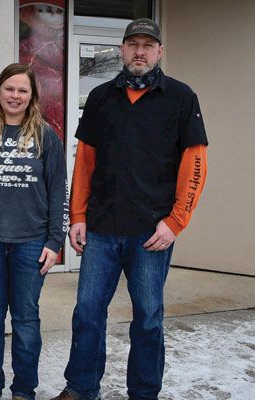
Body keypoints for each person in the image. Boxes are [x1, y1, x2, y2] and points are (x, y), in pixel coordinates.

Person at [51, 19, 208, 400]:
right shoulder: (101, 97)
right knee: (87, 312)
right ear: (121, 50)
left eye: (148, 45)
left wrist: (176, 222)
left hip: (151, 233)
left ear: (159, 52)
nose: (140, 51)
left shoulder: (181, 98)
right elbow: (84, 162)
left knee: (149, 319)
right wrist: (78, 217)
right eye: (133, 44)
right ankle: (81, 387)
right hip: (102, 228)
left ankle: (144, 392)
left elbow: (195, 164)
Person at [0, 63, 68, 400]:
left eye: (23, 90)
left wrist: (55, 242)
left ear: (32, 97)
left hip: (31, 243)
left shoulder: (46, 137)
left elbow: (57, 191)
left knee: (26, 319)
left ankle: (24, 390)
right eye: (9, 88)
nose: (15, 95)